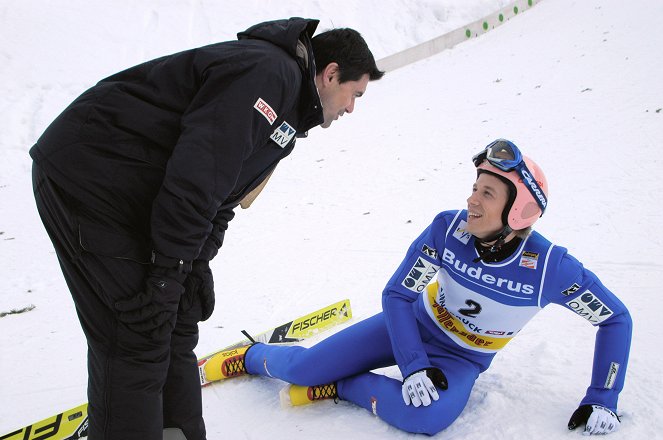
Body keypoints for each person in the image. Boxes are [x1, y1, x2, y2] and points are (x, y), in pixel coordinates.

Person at [30, 17, 384, 440]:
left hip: (139, 193)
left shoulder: (288, 115)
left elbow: (223, 197)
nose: (351, 108)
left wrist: (193, 264)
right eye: (354, 93)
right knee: (135, 334)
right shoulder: (268, 75)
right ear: (330, 74)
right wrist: (166, 273)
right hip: (90, 178)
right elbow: (196, 178)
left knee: (176, 320)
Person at [208, 139, 632, 436]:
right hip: (409, 326)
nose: (472, 200)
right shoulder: (448, 230)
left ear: (519, 210)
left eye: (487, 192)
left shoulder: (550, 268)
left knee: (427, 419)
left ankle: (339, 385)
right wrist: (411, 364)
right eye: (473, 188)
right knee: (301, 370)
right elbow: (397, 295)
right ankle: (249, 357)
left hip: (462, 358)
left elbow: (615, 319)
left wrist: (603, 396)